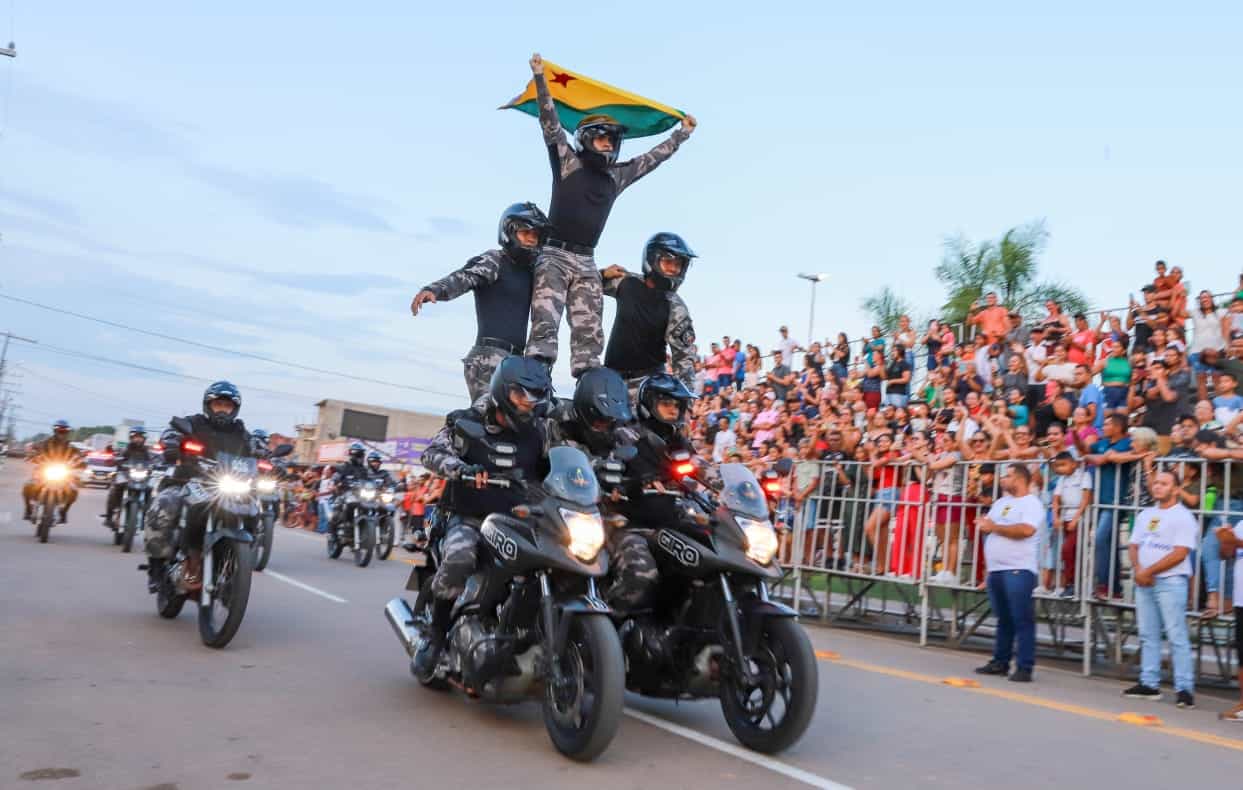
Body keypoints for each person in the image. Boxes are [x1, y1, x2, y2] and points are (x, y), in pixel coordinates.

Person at [523, 53, 697, 377]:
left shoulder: (616, 176)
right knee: (545, 325)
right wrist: (540, 78)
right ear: (586, 138)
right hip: (554, 255)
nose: (608, 143)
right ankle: (534, 376)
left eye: (612, 139)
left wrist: (681, 135)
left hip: (586, 261)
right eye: (602, 137)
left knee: (589, 335)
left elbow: (652, 159)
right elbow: (550, 123)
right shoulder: (568, 162)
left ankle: (589, 383)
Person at [413, 356, 555, 675]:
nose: (528, 402)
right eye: (521, 394)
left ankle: (526, 636)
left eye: (535, 395)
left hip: (519, 520)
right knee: (460, 557)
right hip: (468, 516)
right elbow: (431, 454)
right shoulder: (466, 422)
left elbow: (562, 461)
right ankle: (435, 637)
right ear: (503, 389)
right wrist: (460, 468)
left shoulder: (541, 429)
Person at [411, 202, 552, 401]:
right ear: (509, 232)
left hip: (517, 361)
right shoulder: (495, 260)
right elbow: (464, 277)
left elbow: (559, 287)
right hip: (489, 358)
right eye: (525, 232)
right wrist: (435, 289)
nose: (531, 239)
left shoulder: (534, 272)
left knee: (519, 416)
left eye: (536, 235)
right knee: (489, 414)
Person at [145, 382, 254, 592]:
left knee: (252, 509)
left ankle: (234, 563)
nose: (222, 410)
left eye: (227, 406)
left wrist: (267, 460)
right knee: (165, 505)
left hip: (225, 486)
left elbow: (257, 451)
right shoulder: (193, 423)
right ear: (208, 405)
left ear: (235, 409)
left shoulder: (241, 433)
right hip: (187, 481)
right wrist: (171, 444)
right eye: (218, 404)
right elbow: (171, 433)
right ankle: (156, 567)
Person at [1123, 471, 1197, 708]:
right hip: (1145, 582)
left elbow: (1180, 553)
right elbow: (1134, 545)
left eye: (1164, 484)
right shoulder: (1146, 514)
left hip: (1170, 582)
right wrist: (1138, 569)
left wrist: (1149, 571)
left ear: (1175, 489)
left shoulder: (1183, 517)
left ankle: (1184, 689)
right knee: (1148, 634)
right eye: (1155, 483)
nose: (1157, 487)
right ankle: (1149, 682)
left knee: (1176, 636)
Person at [600, 232, 698, 395]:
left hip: (648, 386)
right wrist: (602, 274)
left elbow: (684, 358)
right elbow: (586, 285)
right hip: (610, 380)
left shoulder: (676, 307)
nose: (674, 269)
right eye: (668, 262)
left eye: (678, 264)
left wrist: (684, 400)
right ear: (652, 259)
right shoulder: (626, 282)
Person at [974, 463, 1044, 683]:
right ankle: (1000, 661)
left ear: (1020, 479)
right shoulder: (1001, 502)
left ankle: (1024, 666)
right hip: (997, 569)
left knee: (1022, 618)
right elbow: (990, 526)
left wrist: (993, 527)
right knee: (1003, 618)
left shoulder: (1031, 503)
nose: (1003, 478)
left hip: (1018, 568)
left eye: (1008, 475)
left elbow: (1026, 530)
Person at [1084, 414, 1135, 599]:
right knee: (1109, 543)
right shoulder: (1102, 443)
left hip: (1116, 501)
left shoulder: (1126, 443)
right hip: (1100, 500)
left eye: (1107, 424)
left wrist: (1094, 457)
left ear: (1118, 427)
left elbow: (1103, 459)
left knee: (1100, 539)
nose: (1103, 427)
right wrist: (1076, 437)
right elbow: (1086, 451)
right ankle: (1115, 589)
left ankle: (1104, 584)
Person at [22, 419, 84, 523]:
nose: (61, 433)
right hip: (43, 471)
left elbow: (79, 456)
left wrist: (81, 462)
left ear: (67, 432)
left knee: (74, 491)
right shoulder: (45, 443)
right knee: (28, 485)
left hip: (63, 474)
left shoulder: (70, 446)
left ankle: (64, 512)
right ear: (55, 431)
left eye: (64, 431)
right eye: (59, 430)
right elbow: (33, 448)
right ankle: (28, 509)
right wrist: (31, 455)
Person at [1049, 451, 1092, 596]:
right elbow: (1055, 499)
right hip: (1065, 519)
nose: (1060, 468)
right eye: (1058, 466)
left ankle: (1073, 584)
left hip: (1080, 520)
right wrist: (1055, 517)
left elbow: (1086, 500)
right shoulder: (1062, 479)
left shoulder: (1084, 476)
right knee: (1070, 553)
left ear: (1073, 464)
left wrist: (1076, 519)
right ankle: (1072, 585)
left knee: (1068, 550)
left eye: (1063, 465)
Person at [1214, 518, 1243, 721]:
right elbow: (1225, 555)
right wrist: (1224, 541)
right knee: (1242, 653)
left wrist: (1234, 541)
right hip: (1241, 599)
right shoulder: (1241, 524)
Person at [103, 426, 155, 527]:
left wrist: (158, 463)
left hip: (142, 477)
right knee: (114, 490)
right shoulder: (125, 449)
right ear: (131, 437)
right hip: (125, 475)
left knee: (150, 490)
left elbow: (155, 460)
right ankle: (109, 517)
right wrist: (114, 460)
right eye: (136, 437)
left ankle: (146, 516)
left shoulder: (147, 451)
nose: (138, 439)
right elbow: (117, 456)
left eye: (140, 437)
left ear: (144, 438)